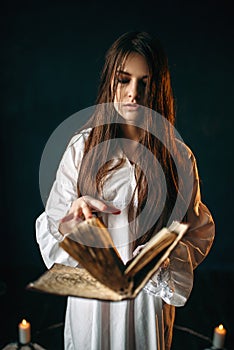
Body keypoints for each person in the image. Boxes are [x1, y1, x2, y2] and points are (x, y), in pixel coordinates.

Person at [36, 31, 215, 350]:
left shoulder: (178, 157)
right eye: (124, 80)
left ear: (158, 87)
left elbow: (198, 232)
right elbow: (52, 228)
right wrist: (74, 223)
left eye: (144, 82)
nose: (134, 93)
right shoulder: (81, 149)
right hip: (91, 305)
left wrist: (161, 259)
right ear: (110, 82)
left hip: (146, 308)